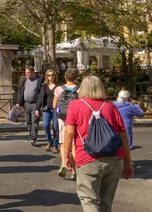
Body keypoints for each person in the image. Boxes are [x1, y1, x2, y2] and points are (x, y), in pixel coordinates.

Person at [63, 75, 133, 212]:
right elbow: (123, 137)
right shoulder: (111, 107)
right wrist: (128, 162)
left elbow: (69, 133)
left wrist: (66, 155)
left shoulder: (75, 105)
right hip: (114, 159)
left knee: (89, 200)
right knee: (106, 202)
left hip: (88, 158)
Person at [53, 67, 79, 179]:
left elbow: (54, 105)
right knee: (74, 145)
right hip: (76, 118)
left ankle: (64, 163)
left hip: (63, 119)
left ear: (65, 76)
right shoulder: (80, 89)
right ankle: (74, 170)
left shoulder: (59, 89)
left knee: (63, 142)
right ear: (76, 77)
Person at [15, 67, 42, 145]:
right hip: (26, 104)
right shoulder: (24, 80)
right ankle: (31, 135)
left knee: (35, 121)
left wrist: (38, 106)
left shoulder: (39, 81)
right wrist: (19, 102)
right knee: (28, 121)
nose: (26, 74)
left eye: (28, 72)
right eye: (25, 72)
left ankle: (33, 138)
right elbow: (20, 91)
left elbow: (40, 94)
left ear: (33, 72)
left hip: (35, 104)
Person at [36, 69, 60, 153]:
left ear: (55, 76)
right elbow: (40, 97)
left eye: (52, 75)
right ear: (46, 76)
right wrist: (37, 108)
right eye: (49, 75)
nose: (51, 76)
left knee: (56, 127)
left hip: (56, 109)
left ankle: (55, 145)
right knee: (45, 126)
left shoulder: (58, 86)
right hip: (46, 109)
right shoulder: (44, 86)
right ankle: (49, 142)